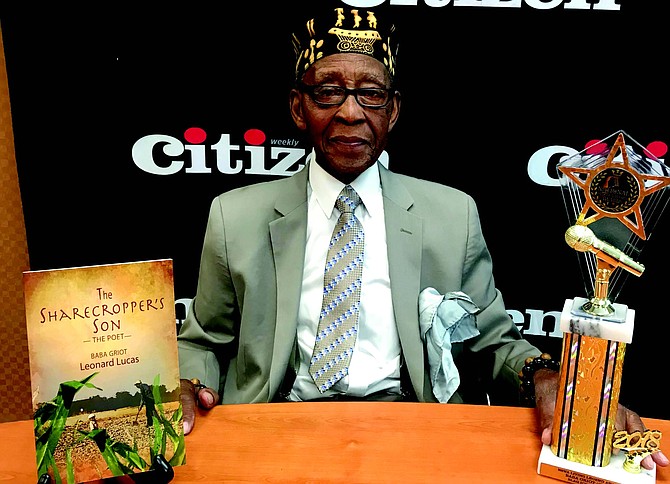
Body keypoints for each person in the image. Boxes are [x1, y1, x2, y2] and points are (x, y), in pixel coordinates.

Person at [176, 1, 668, 471]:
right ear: (298, 108)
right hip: (276, 426)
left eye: (370, 93)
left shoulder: (452, 216)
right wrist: (183, 382)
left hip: (413, 425)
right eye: (328, 91)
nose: (350, 113)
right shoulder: (234, 217)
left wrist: (549, 379)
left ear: (392, 112)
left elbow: (493, 343)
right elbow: (204, 340)